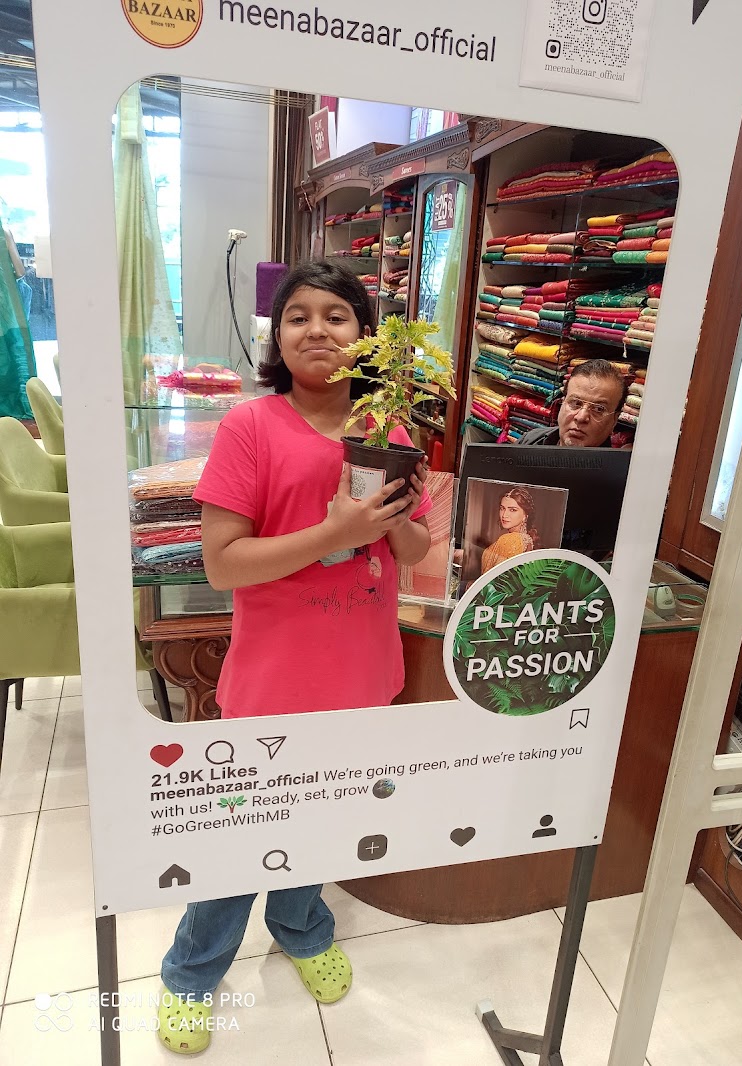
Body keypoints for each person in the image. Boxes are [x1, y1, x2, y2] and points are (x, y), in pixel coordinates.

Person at [157, 261, 432, 1054]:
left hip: (363, 672)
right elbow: (222, 564)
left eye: (337, 315)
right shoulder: (250, 428)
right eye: (298, 316)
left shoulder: (391, 430)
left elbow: (415, 550)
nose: (318, 329)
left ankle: (302, 926)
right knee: (241, 838)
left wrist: (392, 520)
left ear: (367, 335)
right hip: (274, 684)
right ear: (276, 337)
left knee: (325, 821)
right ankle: (191, 972)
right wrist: (334, 534)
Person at [518, 359, 626, 448]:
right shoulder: (530, 442)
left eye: (598, 409)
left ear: (614, 421)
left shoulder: (619, 468)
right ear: (562, 403)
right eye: (575, 403)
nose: (581, 417)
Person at [480, 487, 538, 573]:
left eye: (512, 510)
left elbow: (499, 579)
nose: (504, 515)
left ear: (525, 516)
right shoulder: (527, 539)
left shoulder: (511, 540)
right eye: (502, 508)